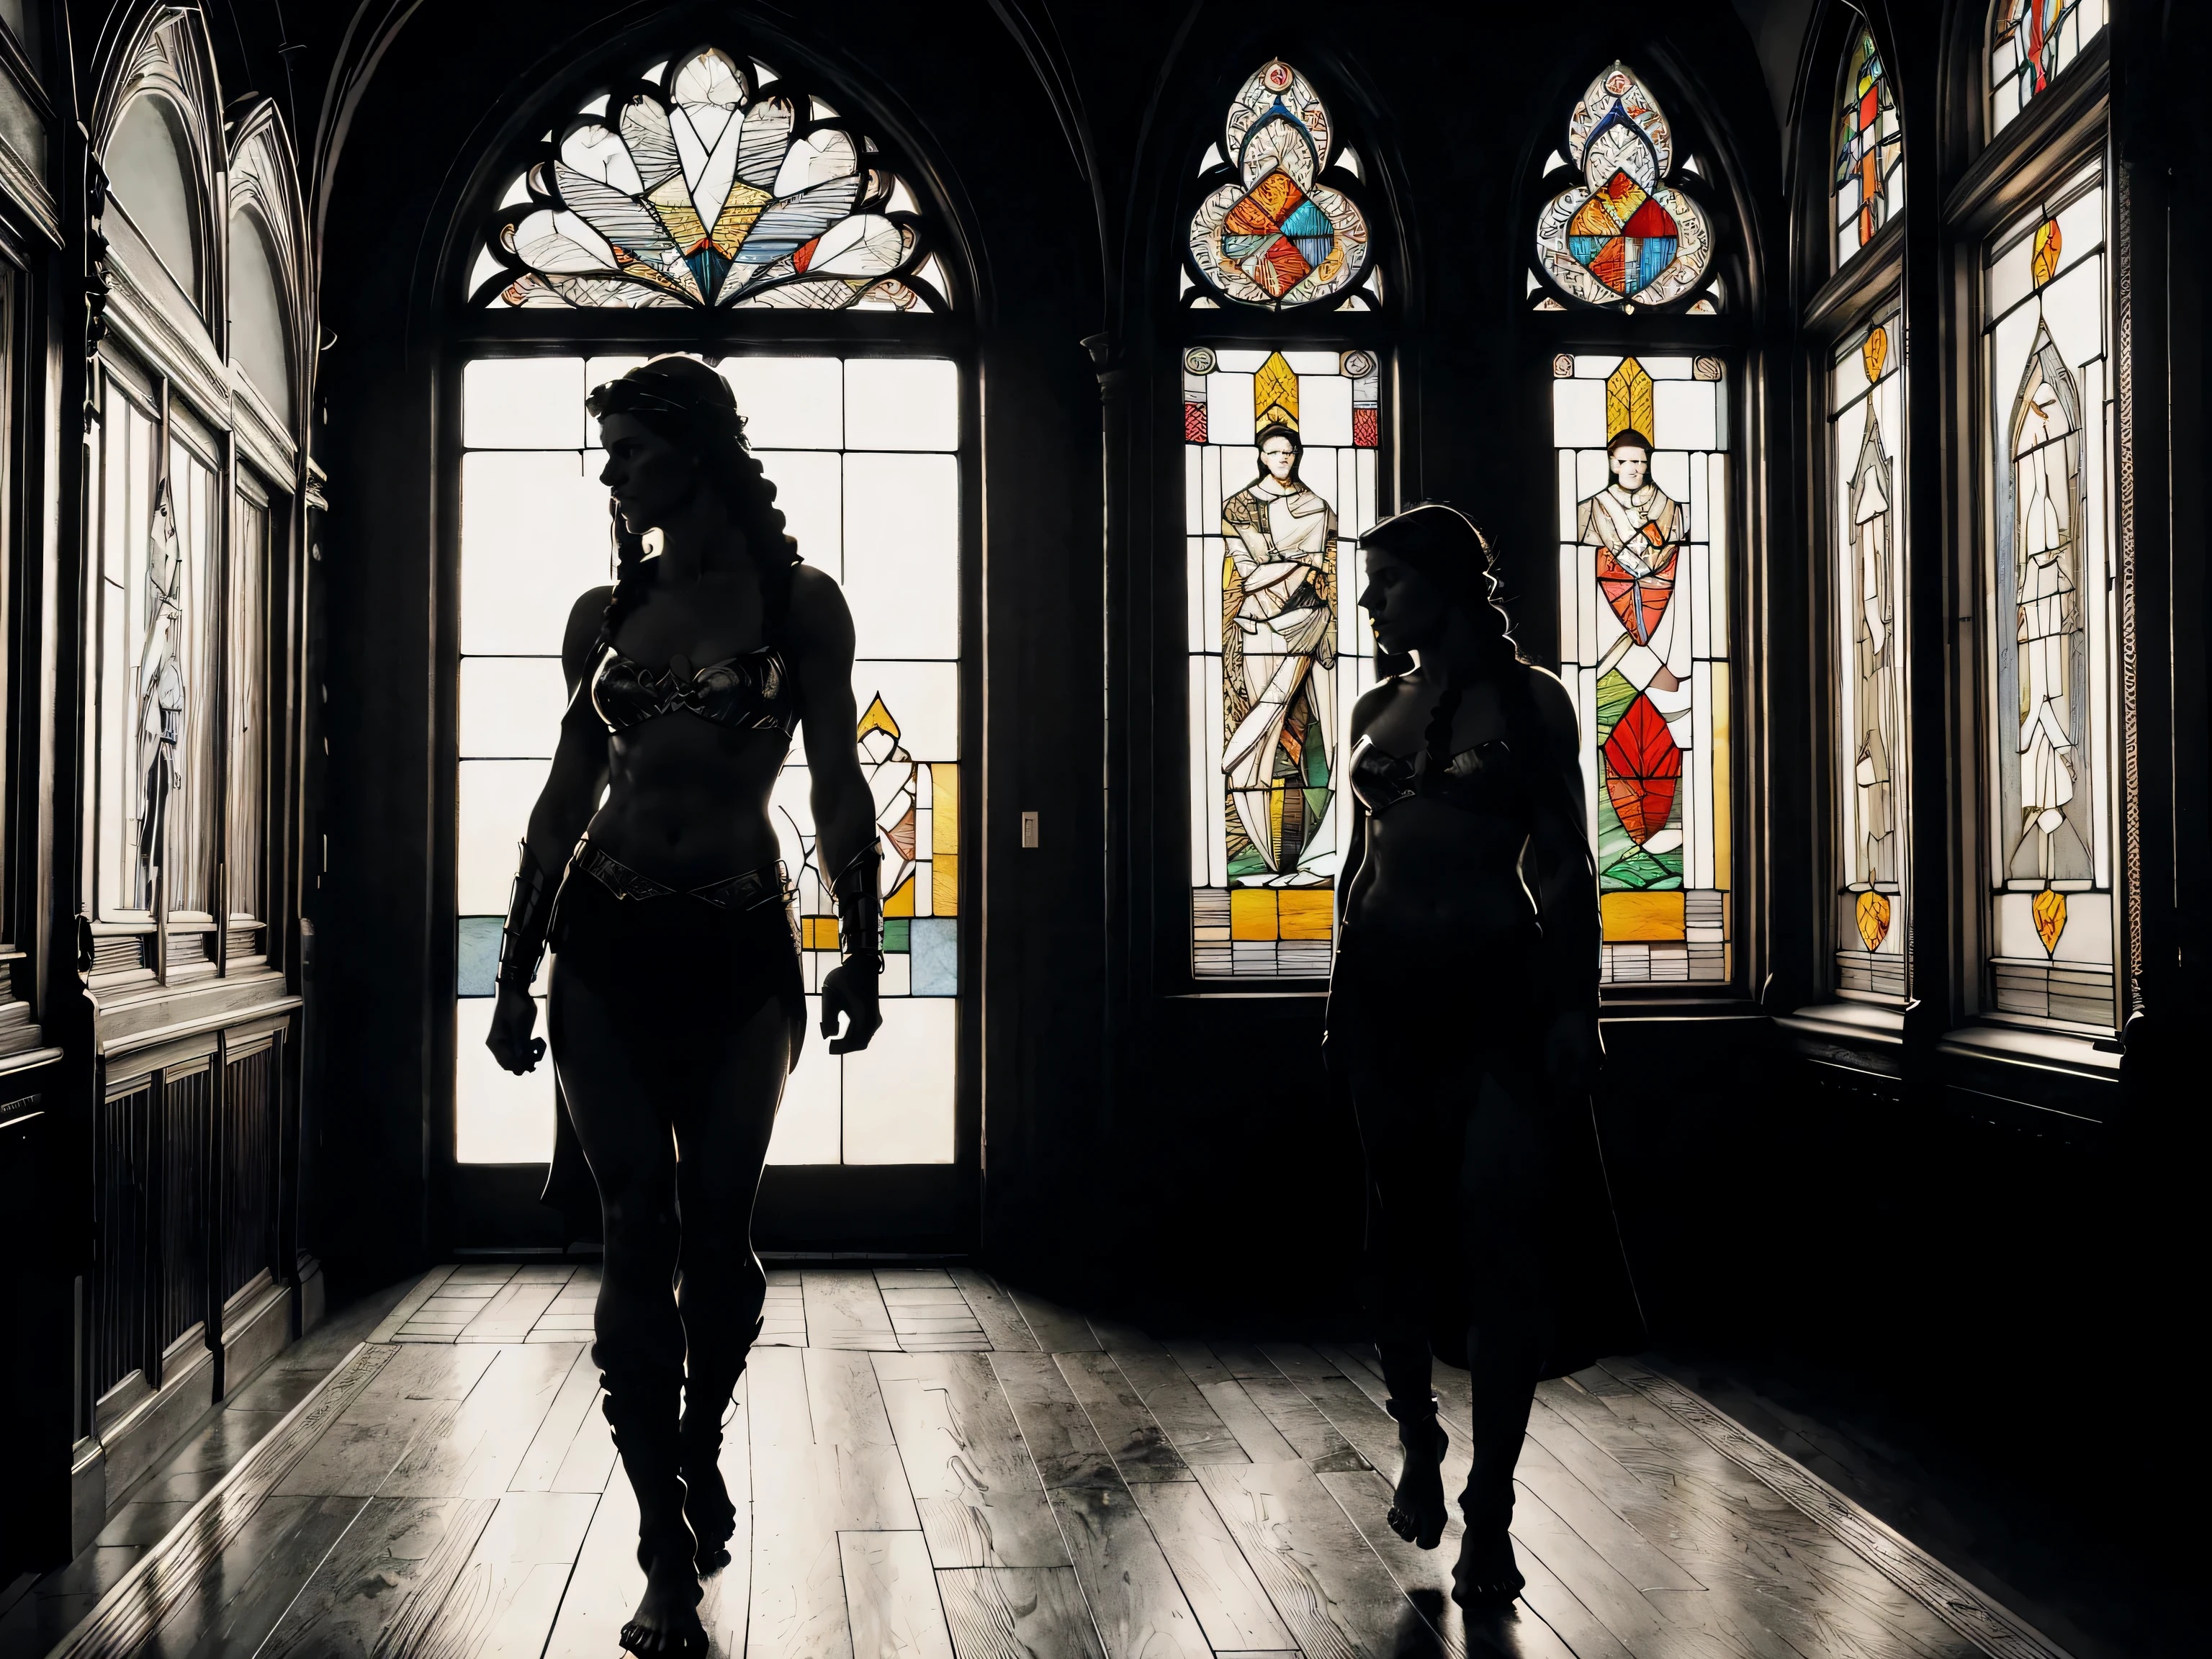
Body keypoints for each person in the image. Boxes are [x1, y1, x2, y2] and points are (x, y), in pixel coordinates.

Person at [485, 354, 883, 1658]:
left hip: (738, 937)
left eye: (629, 451)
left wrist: (862, 943)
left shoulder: (795, 604)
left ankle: (697, 1435)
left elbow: (836, 787)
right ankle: (661, 1542)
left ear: (695, 452)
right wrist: (513, 961)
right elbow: (560, 794)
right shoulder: (604, 613)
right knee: (631, 1215)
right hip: (603, 935)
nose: (611, 474)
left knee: (717, 1228)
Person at [1328, 503, 1641, 1609]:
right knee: (1398, 1229)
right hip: (1387, 994)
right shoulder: (1376, 705)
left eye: (1387, 583)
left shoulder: (1530, 703)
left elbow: (1567, 865)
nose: (1366, 603)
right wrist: (1339, 989)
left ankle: (1494, 1506)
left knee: (1501, 1241)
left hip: (1497, 991)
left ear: (1447, 587)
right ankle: (1416, 1434)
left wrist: (1578, 1012)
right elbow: (1358, 867)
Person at [1221, 422, 1338, 875]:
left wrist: (1287, 567)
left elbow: (1321, 567)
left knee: (1312, 730)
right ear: (1262, 456)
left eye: (1289, 452)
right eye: (1274, 453)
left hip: (1309, 620)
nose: (1283, 459)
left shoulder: (1318, 507)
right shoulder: (1240, 507)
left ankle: (1310, 847)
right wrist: (1294, 566)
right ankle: (1257, 854)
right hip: (1258, 627)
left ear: (1297, 455)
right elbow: (1248, 573)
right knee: (1262, 722)